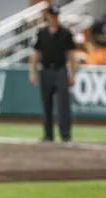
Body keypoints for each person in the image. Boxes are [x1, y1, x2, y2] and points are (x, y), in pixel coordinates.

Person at [29, 4, 76, 143]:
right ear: (48, 16)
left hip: (61, 70)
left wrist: (72, 73)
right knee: (46, 104)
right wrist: (32, 71)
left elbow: (71, 54)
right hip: (46, 70)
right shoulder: (41, 33)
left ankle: (65, 135)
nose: (54, 18)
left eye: (56, 16)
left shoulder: (65, 33)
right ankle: (48, 135)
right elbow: (36, 53)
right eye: (52, 16)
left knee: (63, 105)